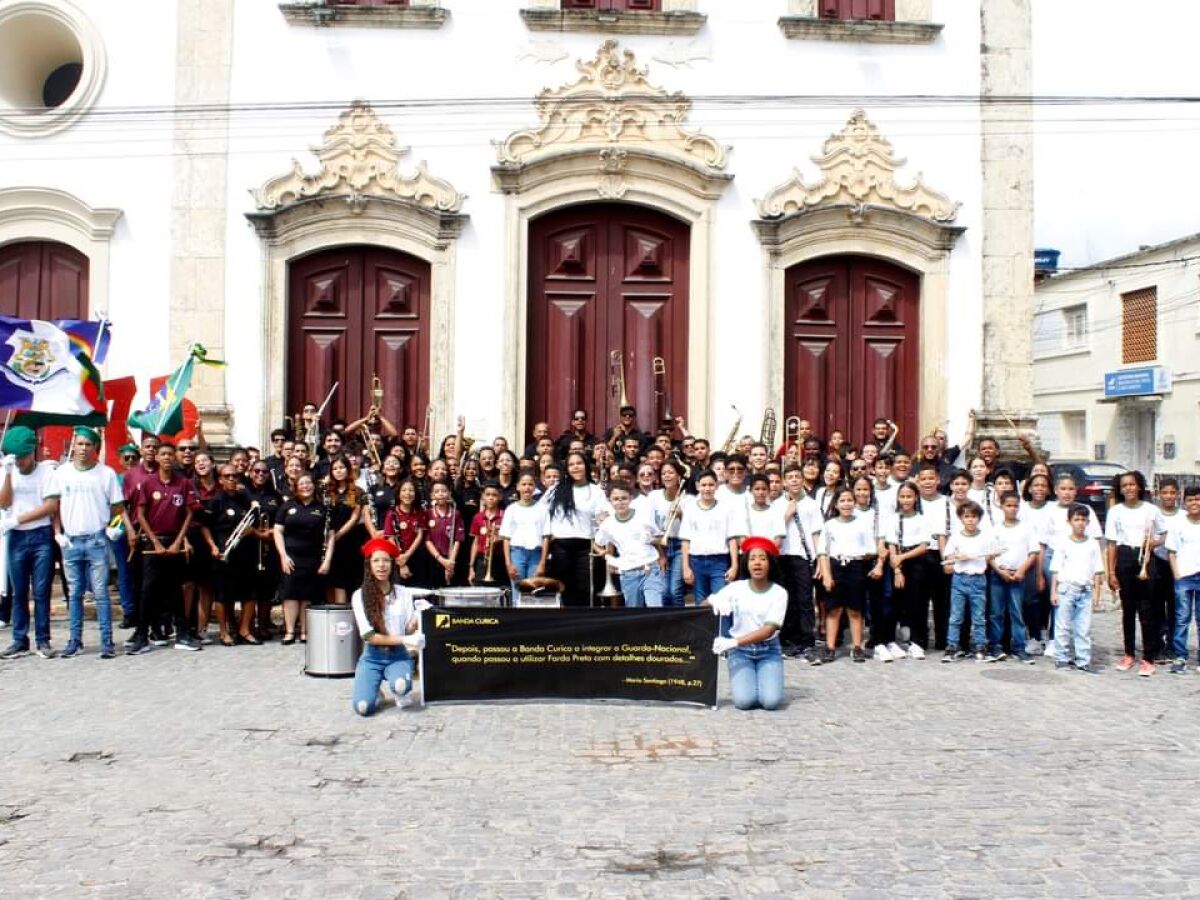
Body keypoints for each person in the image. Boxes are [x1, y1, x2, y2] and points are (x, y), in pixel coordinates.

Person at [44, 427, 130, 659]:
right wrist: (57, 533)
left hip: (96, 540)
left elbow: (118, 505)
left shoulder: (106, 474)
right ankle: (75, 640)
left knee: (101, 592)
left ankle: (107, 641)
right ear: (74, 446)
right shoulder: (62, 473)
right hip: (70, 541)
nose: (83, 449)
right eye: (79, 444)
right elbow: (55, 506)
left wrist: (112, 526)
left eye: (87, 444)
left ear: (95, 448)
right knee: (75, 593)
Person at [127, 442, 202, 654]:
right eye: (163, 454)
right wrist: (156, 542)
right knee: (148, 589)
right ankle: (142, 635)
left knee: (176, 589)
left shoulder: (184, 483)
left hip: (175, 541)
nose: (167, 457)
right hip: (154, 542)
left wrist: (179, 541)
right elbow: (140, 515)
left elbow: (189, 513)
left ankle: (182, 634)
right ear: (157, 458)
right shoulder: (149, 484)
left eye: (170, 453)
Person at [705, 537, 787, 711]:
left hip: (768, 650)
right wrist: (713, 601)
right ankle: (756, 683)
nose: (757, 563)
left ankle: (765, 682)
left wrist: (732, 642)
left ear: (770, 564)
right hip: (741, 654)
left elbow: (767, 630)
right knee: (744, 702)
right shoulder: (736, 588)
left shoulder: (779, 593)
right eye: (752, 559)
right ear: (746, 564)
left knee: (771, 702)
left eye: (762, 558)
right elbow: (703, 607)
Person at [0, 426, 59, 659]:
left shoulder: (46, 472)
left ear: (32, 451)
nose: (21, 462)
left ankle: (43, 640)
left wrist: (18, 518)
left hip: (40, 535)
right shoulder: (9, 470)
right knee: (19, 592)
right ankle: (19, 639)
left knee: (42, 591)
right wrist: (6, 474)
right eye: (17, 457)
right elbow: (4, 503)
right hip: (16, 537)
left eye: (23, 456)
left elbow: (51, 506)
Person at [351, 538, 425, 716]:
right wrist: (405, 639)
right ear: (369, 565)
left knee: (400, 686)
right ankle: (375, 692)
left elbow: (407, 629)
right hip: (372, 657)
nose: (381, 565)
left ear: (392, 564)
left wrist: (419, 616)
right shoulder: (359, 595)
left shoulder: (403, 593)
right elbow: (369, 636)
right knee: (363, 707)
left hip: (398, 655)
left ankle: (401, 689)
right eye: (376, 561)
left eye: (386, 560)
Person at [1105, 471, 1165, 674]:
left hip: (1146, 558)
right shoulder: (1115, 511)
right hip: (1124, 557)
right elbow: (1112, 543)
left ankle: (1149, 657)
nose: (1129, 488)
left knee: (1147, 610)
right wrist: (1111, 572)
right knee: (1128, 610)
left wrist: (1152, 544)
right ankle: (1129, 653)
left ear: (1139, 486)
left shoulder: (1151, 510)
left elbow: (1163, 534)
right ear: (1120, 489)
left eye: (1132, 484)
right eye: (1124, 485)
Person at [273, 473, 334, 644]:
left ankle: (305, 631)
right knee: (290, 594)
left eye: (308, 483)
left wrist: (327, 560)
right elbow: (277, 531)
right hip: (291, 557)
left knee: (308, 595)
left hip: (313, 558)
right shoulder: (287, 506)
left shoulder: (323, 509)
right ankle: (290, 631)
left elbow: (330, 536)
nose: (305, 486)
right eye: (302, 483)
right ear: (296, 487)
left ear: (314, 486)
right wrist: (283, 556)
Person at [203, 464, 260, 646]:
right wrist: (212, 546)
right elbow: (205, 526)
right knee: (222, 594)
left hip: (245, 553)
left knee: (250, 594)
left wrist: (251, 531)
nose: (231, 479)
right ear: (220, 479)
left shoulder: (245, 499)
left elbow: (255, 517)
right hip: (223, 551)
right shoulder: (216, 500)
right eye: (227, 476)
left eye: (235, 476)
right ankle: (223, 631)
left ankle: (244, 629)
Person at [817, 487, 875, 663]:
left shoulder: (862, 524)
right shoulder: (829, 525)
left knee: (855, 609)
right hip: (835, 567)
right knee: (833, 609)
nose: (846, 504)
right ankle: (830, 647)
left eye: (850, 500)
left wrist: (858, 555)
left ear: (855, 502)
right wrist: (826, 575)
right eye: (842, 501)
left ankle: (857, 646)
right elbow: (823, 552)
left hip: (855, 567)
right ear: (836, 504)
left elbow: (871, 549)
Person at [1049, 503, 1105, 674]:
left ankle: (1083, 659)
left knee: (1083, 628)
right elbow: (1056, 569)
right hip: (1066, 589)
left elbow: (1097, 570)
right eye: (1076, 519)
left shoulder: (1092, 544)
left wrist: (1096, 594)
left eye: (1083, 520)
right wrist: (1054, 591)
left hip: (1085, 590)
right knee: (1063, 626)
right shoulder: (1063, 543)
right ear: (1069, 522)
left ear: (1088, 522)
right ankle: (1062, 657)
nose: (1080, 523)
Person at [545, 451, 604, 607]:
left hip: (586, 547)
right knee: (563, 588)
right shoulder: (555, 489)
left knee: (584, 589)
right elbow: (542, 514)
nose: (575, 467)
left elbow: (603, 519)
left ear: (586, 465)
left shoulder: (596, 491)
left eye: (579, 463)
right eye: (571, 464)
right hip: (560, 546)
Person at [775, 462, 822, 660]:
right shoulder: (777, 504)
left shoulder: (811, 504)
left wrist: (820, 558)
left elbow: (817, 533)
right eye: (790, 477)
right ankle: (788, 640)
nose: (794, 480)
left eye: (797, 476)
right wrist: (786, 515)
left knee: (804, 600)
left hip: (802, 556)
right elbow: (774, 530)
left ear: (803, 480)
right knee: (787, 600)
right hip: (782, 556)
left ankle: (806, 640)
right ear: (784, 482)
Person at [593, 480, 665, 608]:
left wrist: (653, 541)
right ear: (610, 501)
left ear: (631, 498)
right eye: (616, 499)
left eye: (624, 498)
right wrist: (606, 556)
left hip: (649, 568)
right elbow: (596, 543)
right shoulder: (607, 524)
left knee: (655, 606)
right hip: (628, 573)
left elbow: (660, 538)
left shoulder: (643, 517)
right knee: (634, 610)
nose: (620, 502)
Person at [987, 491, 1039, 663]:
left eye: (1015, 505)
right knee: (996, 613)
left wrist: (1022, 570)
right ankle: (995, 646)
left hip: (1018, 576)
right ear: (1001, 506)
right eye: (1008, 505)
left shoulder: (1027, 528)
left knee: (1017, 612)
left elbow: (1033, 552)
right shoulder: (995, 529)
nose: (1012, 509)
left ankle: (1019, 647)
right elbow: (990, 554)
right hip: (999, 575)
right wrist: (999, 570)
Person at [941, 501, 996, 662]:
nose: (970, 520)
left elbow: (992, 554)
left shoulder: (985, 536)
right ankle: (952, 647)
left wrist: (991, 554)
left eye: (974, 517)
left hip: (978, 580)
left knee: (979, 617)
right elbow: (947, 556)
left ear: (979, 518)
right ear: (961, 518)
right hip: (959, 580)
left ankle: (980, 647)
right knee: (956, 616)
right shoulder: (956, 536)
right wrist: (958, 557)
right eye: (967, 517)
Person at [680, 469, 742, 607]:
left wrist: (734, 565)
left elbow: (731, 538)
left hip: (719, 562)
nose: (707, 488)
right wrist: (686, 567)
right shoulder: (690, 508)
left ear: (717, 486)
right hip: (697, 562)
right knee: (701, 604)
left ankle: (722, 629)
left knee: (722, 602)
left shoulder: (726, 508)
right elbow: (685, 540)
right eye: (703, 485)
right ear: (697, 486)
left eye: (710, 485)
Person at [884, 480, 929, 661]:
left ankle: (916, 642)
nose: (906, 500)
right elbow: (892, 544)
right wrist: (897, 569)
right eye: (902, 496)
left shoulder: (921, 519)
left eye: (909, 496)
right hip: (897, 562)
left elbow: (924, 546)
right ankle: (890, 641)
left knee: (916, 602)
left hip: (915, 561)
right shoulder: (893, 519)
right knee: (894, 602)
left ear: (916, 497)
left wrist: (902, 558)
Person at [500, 472, 550, 597]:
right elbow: (506, 538)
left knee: (534, 592)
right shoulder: (511, 509)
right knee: (517, 592)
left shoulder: (542, 508)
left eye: (530, 484)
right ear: (518, 487)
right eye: (524, 484)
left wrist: (542, 563)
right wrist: (508, 563)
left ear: (534, 487)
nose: (527, 487)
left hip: (536, 555)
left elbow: (546, 537)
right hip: (517, 554)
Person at [1168, 486, 1200, 674]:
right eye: (1190, 500)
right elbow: (1172, 552)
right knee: (1182, 618)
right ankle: (1180, 656)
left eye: (1198, 499)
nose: (1194, 503)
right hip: (1184, 577)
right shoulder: (1178, 524)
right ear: (1184, 502)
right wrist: (1177, 574)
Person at [468, 483, 505, 586]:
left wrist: (499, 538)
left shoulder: (505, 515)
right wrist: (471, 567)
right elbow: (475, 543)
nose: (490, 498)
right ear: (483, 497)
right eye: (488, 495)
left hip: (500, 559)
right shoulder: (477, 517)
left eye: (494, 495)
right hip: (482, 560)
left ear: (500, 497)